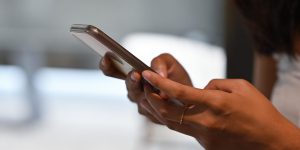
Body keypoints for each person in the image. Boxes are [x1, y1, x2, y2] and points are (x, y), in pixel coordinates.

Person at [99, 0, 300, 149]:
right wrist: (191, 110)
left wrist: (274, 137)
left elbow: (266, 133)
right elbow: (262, 124)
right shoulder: (275, 12)